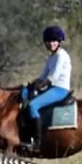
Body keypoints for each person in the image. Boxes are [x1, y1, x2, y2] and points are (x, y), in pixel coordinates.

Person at [21, 25, 72, 153]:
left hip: (60, 90)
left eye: (54, 41)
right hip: (51, 87)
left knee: (33, 105)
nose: (50, 44)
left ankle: (37, 143)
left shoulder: (61, 56)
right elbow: (43, 76)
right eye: (48, 41)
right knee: (24, 94)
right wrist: (32, 84)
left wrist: (40, 85)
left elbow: (53, 77)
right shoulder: (51, 57)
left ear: (59, 42)